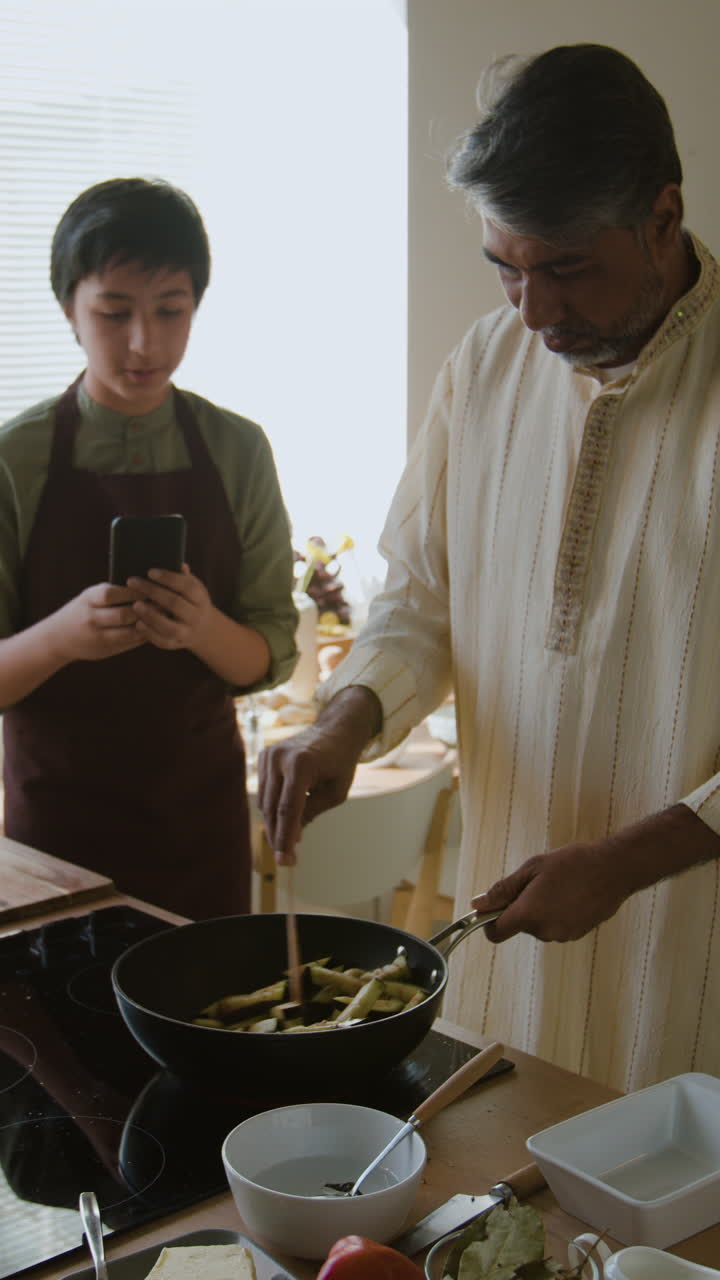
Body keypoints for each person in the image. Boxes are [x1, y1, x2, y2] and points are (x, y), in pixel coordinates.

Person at [258, 44, 720, 1092]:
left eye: (564, 267)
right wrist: (347, 717)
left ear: (662, 217)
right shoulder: (484, 365)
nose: (533, 313)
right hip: (505, 965)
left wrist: (621, 864)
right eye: (505, 267)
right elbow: (420, 597)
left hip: (691, 977)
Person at [0, 177, 297, 918]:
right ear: (68, 305)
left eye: (172, 310)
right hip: (56, 837)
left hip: (199, 832)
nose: (146, 343)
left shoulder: (238, 450)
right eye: (114, 312)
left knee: (212, 1021)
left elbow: (268, 654)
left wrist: (201, 628)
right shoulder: (15, 460)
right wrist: (63, 638)